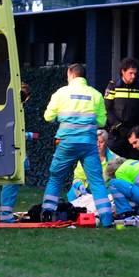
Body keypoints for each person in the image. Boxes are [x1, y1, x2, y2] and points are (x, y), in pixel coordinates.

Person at [41, 64, 113, 227]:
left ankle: (46, 214)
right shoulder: (95, 95)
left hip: (66, 143)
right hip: (88, 143)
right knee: (96, 181)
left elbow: (47, 117)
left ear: (70, 75)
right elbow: (101, 121)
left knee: (56, 178)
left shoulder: (61, 93)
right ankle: (107, 219)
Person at [0, 83, 37, 223]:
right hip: (13, 151)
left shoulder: (4, 107)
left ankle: (2, 213)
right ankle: (6, 216)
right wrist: (30, 135)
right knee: (12, 181)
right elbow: (13, 132)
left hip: (5, 151)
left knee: (4, 182)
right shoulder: (15, 110)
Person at [104, 57, 139, 159]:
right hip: (117, 133)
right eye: (130, 73)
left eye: (135, 73)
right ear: (123, 71)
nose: (133, 76)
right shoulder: (113, 86)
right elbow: (106, 109)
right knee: (114, 164)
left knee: (136, 163)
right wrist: (118, 126)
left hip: (135, 133)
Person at [67, 129, 116, 201]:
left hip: (106, 194)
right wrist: (79, 185)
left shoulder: (114, 159)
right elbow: (78, 177)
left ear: (106, 142)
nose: (97, 145)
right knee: (74, 190)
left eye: (101, 142)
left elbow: (118, 182)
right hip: (87, 193)